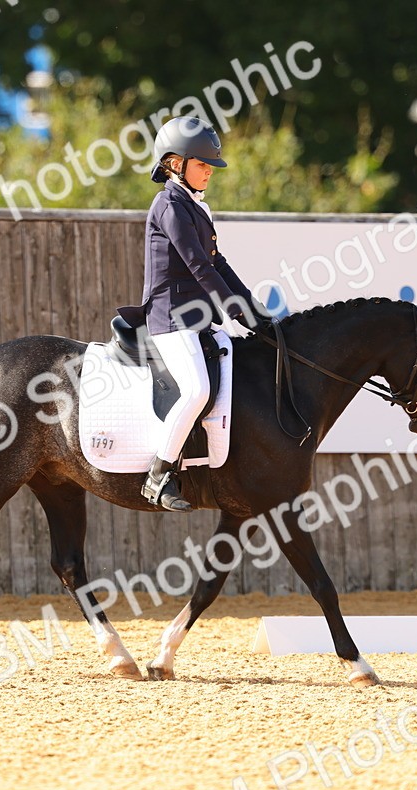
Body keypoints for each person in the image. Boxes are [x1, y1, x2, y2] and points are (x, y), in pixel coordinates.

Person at [133, 116, 273, 512]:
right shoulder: (168, 205)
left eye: (211, 165)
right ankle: (158, 474)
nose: (209, 171)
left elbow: (218, 263)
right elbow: (198, 266)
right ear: (175, 163)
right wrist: (236, 312)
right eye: (202, 164)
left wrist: (254, 310)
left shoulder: (195, 206)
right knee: (197, 390)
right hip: (170, 318)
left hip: (196, 320)